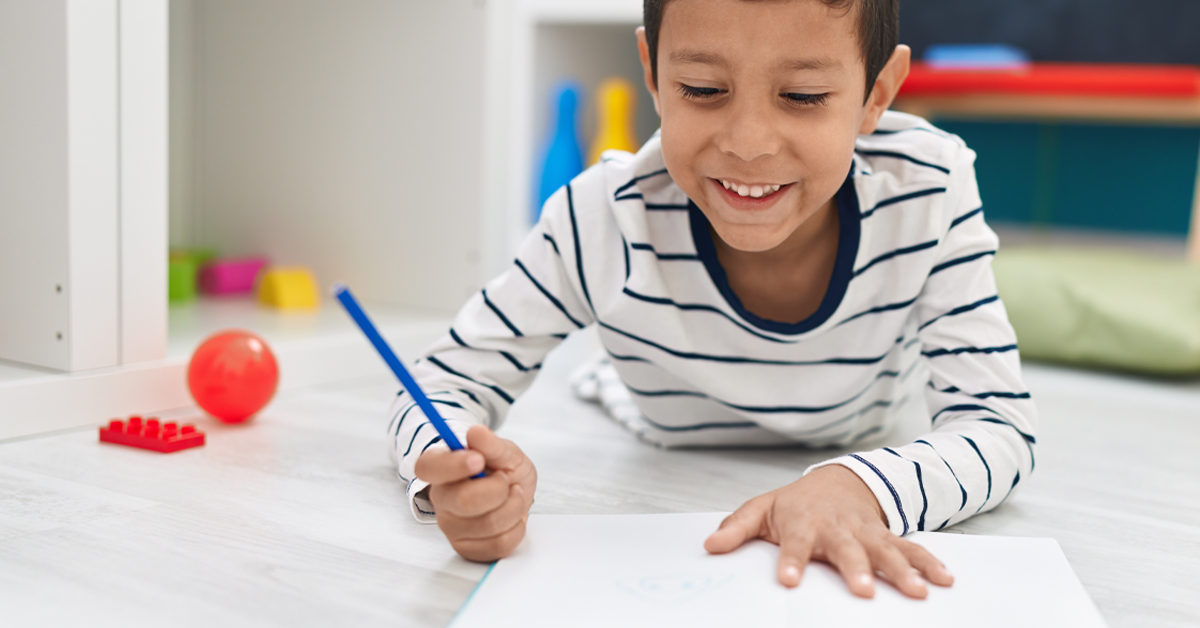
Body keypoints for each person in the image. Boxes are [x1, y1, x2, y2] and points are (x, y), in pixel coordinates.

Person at [394, 0, 1036, 600]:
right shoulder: (599, 218)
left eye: (803, 96)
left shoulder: (929, 187)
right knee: (597, 381)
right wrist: (454, 471)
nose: (748, 142)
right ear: (651, 71)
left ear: (877, 95)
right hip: (663, 430)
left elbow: (999, 427)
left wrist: (859, 485)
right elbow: (440, 382)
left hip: (858, 429)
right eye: (702, 89)